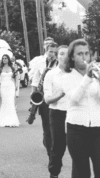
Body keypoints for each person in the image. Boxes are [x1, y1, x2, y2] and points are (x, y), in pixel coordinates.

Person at [61, 39, 100, 178]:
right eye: (80, 54)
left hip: (97, 130)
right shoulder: (67, 77)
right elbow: (74, 98)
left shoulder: (97, 75)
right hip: (76, 130)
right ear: (72, 56)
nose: (84, 57)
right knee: (82, 173)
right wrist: (87, 78)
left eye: (86, 53)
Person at [43, 45, 68, 178]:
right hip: (57, 113)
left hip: (75, 113)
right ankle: (54, 173)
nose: (65, 56)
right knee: (58, 147)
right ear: (57, 57)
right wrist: (61, 93)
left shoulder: (78, 74)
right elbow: (47, 100)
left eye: (68, 54)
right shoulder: (50, 74)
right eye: (62, 54)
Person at [30, 40, 58, 157]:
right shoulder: (40, 62)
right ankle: (50, 149)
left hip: (57, 98)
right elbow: (35, 80)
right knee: (46, 124)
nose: (52, 54)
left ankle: (50, 141)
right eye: (50, 51)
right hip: (43, 97)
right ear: (46, 51)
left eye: (54, 52)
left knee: (55, 125)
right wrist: (33, 99)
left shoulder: (60, 63)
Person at [0, 54, 20, 127]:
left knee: (11, 102)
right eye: (3, 58)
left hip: (11, 86)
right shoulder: (0, 68)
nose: (4, 59)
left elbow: (15, 77)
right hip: (3, 86)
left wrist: (16, 86)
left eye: (6, 58)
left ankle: (12, 121)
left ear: (8, 59)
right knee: (5, 102)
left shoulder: (12, 67)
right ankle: (4, 120)